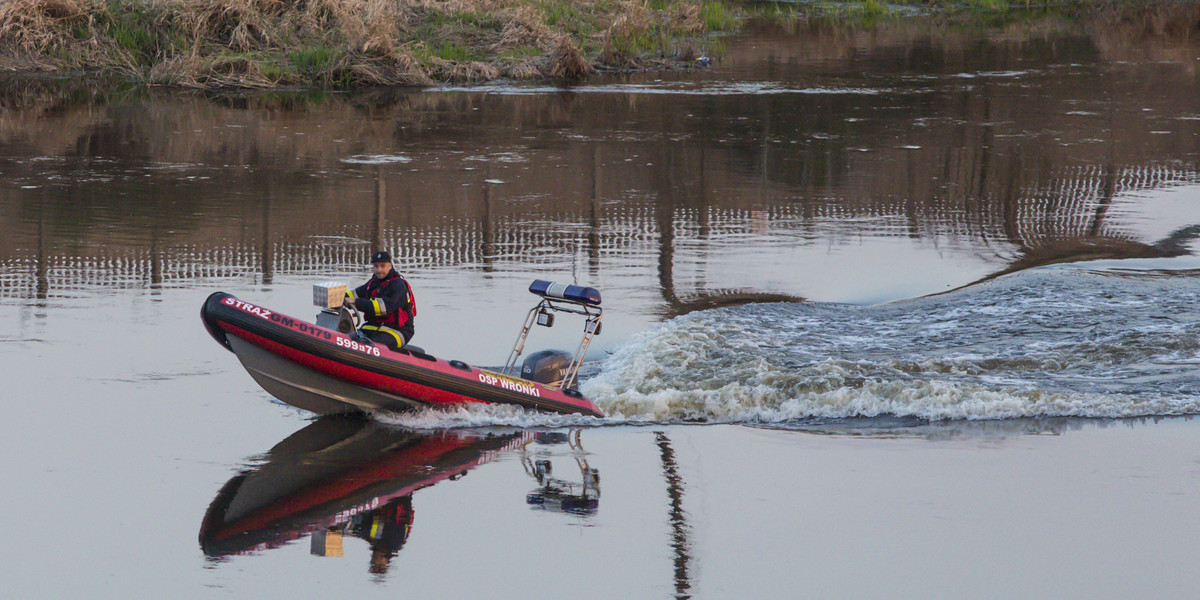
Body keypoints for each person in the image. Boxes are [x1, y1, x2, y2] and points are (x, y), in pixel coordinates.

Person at [345, 251, 416, 350]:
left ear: (390, 266)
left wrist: (356, 303)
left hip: (397, 330)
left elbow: (383, 308)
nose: (379, 270)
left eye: (383, 266)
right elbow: (355, 294)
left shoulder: (398, 284)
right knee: (348, 339)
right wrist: (339, 296)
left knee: (370, 348)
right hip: (373, 326)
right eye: (376, 266)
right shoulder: (373, 282)